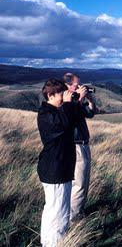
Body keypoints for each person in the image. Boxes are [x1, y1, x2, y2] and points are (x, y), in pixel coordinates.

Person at [37, 78, 76, 247]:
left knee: (54, 209)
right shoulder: (46, 114)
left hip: (60, 168)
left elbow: (71, 121)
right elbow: (63, 124)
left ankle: (47, 242)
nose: (64, 96)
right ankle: (55, 243)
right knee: (58, 212)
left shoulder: (55, 111)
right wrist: (67, 105)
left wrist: (71, 103)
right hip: (55, 170)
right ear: (50, 95)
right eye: (61, 93)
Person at [63, 73, 96, 221]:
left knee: (82, 182)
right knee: (79, 184)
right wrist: (80, 99)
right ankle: (74, 219)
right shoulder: (65, 103)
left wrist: (89, 100)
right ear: (67, 86)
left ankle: (75, 212)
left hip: (82, 144)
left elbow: (90, 113)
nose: (80, 88)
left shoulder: (76, 101)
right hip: (76, 145)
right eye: (77, 86)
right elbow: (68, 117)